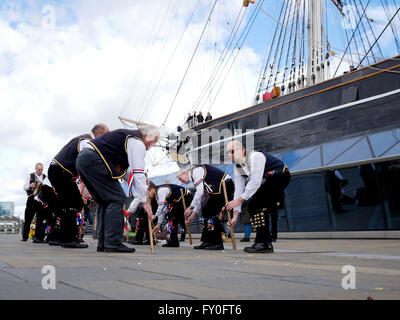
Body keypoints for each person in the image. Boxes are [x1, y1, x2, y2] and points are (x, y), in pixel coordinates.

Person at [76, 125, 160, 253]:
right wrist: (144, 201)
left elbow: (128, 174)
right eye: (154, 141)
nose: (151, 146)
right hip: (95, 159)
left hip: (84, 160)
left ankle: (104, 243)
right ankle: (113, 242)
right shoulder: (137, 142)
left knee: (105, 201)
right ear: (149, 136)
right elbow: (138, 172)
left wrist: (139, 185)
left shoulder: (126, 139)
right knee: (117, 198)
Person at [48, 123, 109, 249]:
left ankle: (65, 238)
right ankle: (69, 239)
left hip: (59, 171)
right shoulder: (86, 141)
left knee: (68, 204)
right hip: (61, 171)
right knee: (74, 202)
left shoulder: (83, 139)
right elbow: (86, 158)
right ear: (100, 134)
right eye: (105, 136)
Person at [225, 140, 291, 253]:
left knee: (256, 204)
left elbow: (255, 182)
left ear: (242, 150)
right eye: (227, 153)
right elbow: (239, 191)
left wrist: (239, 200)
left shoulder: (255, 156)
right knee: (254, 205)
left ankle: (264, 242)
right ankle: (264, 242)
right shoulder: (238, 168)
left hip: (280, 176)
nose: (229, 155)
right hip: (267, 180)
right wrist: (235, 215)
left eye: (232, 151)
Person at [177, 164, 234, 250]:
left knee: (211, 211)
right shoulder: (196, 176)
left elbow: (199, 192)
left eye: (180, 179)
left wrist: (190, 208)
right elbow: (201, 197)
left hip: (225, 185)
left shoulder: (196, 172)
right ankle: (207, 241)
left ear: (185, 173)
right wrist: (193, 215)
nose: (181, 182)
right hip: (219, 187)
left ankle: (217, 242)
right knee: (206, 211)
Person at [151, 183, 193, 247]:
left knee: (172, 216)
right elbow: (163, 210)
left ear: (152, 190)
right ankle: (172, 240)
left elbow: (161, 206)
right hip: (176, 199)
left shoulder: (160, 191)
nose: (147, 197)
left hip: (185, 196)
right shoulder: (157, 196)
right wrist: (158, 224)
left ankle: (174, 242)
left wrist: (155, 215)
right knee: (171, 215)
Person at [22, 163, 46, 241]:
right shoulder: (30, 176)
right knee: (28, 219)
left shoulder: (44, 177)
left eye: (41, 169)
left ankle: (37, 237)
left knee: (40, 219)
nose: (40, 171)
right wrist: (30, 186)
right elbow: (24, 187)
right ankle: (25, 237)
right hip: (31, 199)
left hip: (41, 200)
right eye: (39, 169)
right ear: (35, 169)